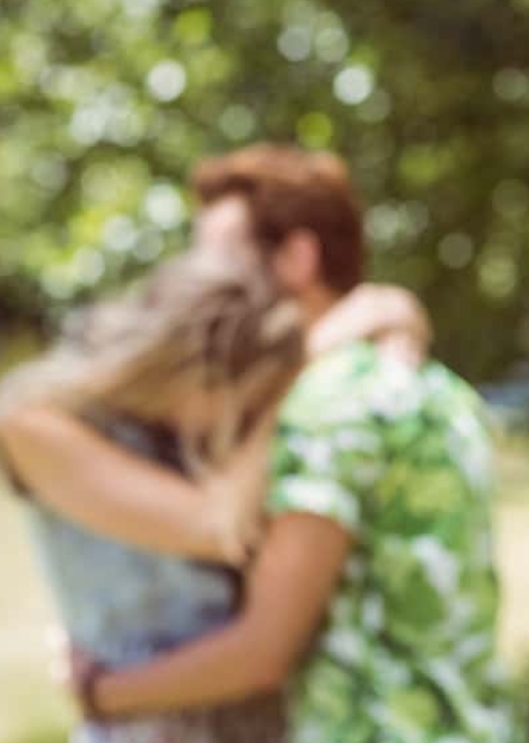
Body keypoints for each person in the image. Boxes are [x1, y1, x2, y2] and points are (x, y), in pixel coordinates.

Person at [7, 144, 515, 743]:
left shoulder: (317, 408)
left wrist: (98, 692)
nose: (201, 272)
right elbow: (215, 524)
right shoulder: (39, 419)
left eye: (220, 253)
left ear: (297, 258)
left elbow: (257, 623)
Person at [0, 254, 306, 743]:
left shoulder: (179, 437)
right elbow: (217, 528)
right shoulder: (34, 422)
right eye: (245, 398)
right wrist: (300, 377)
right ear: (192, 370)